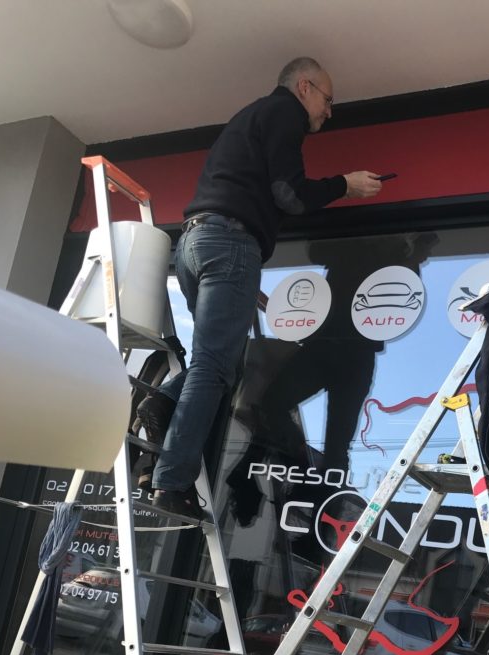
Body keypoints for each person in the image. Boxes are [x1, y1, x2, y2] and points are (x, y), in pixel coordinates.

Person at [138, 57, 383, 519]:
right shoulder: (284, 113)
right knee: (216, 367)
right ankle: (171, 482)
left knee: (215, 359)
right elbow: (289, 194)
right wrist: (344, 185)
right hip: (230, 243)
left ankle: (164, 403)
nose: (329, 112)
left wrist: (244, 284)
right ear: (304, 87)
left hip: (195, 242)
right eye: (328, 101)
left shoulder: (250, 119)